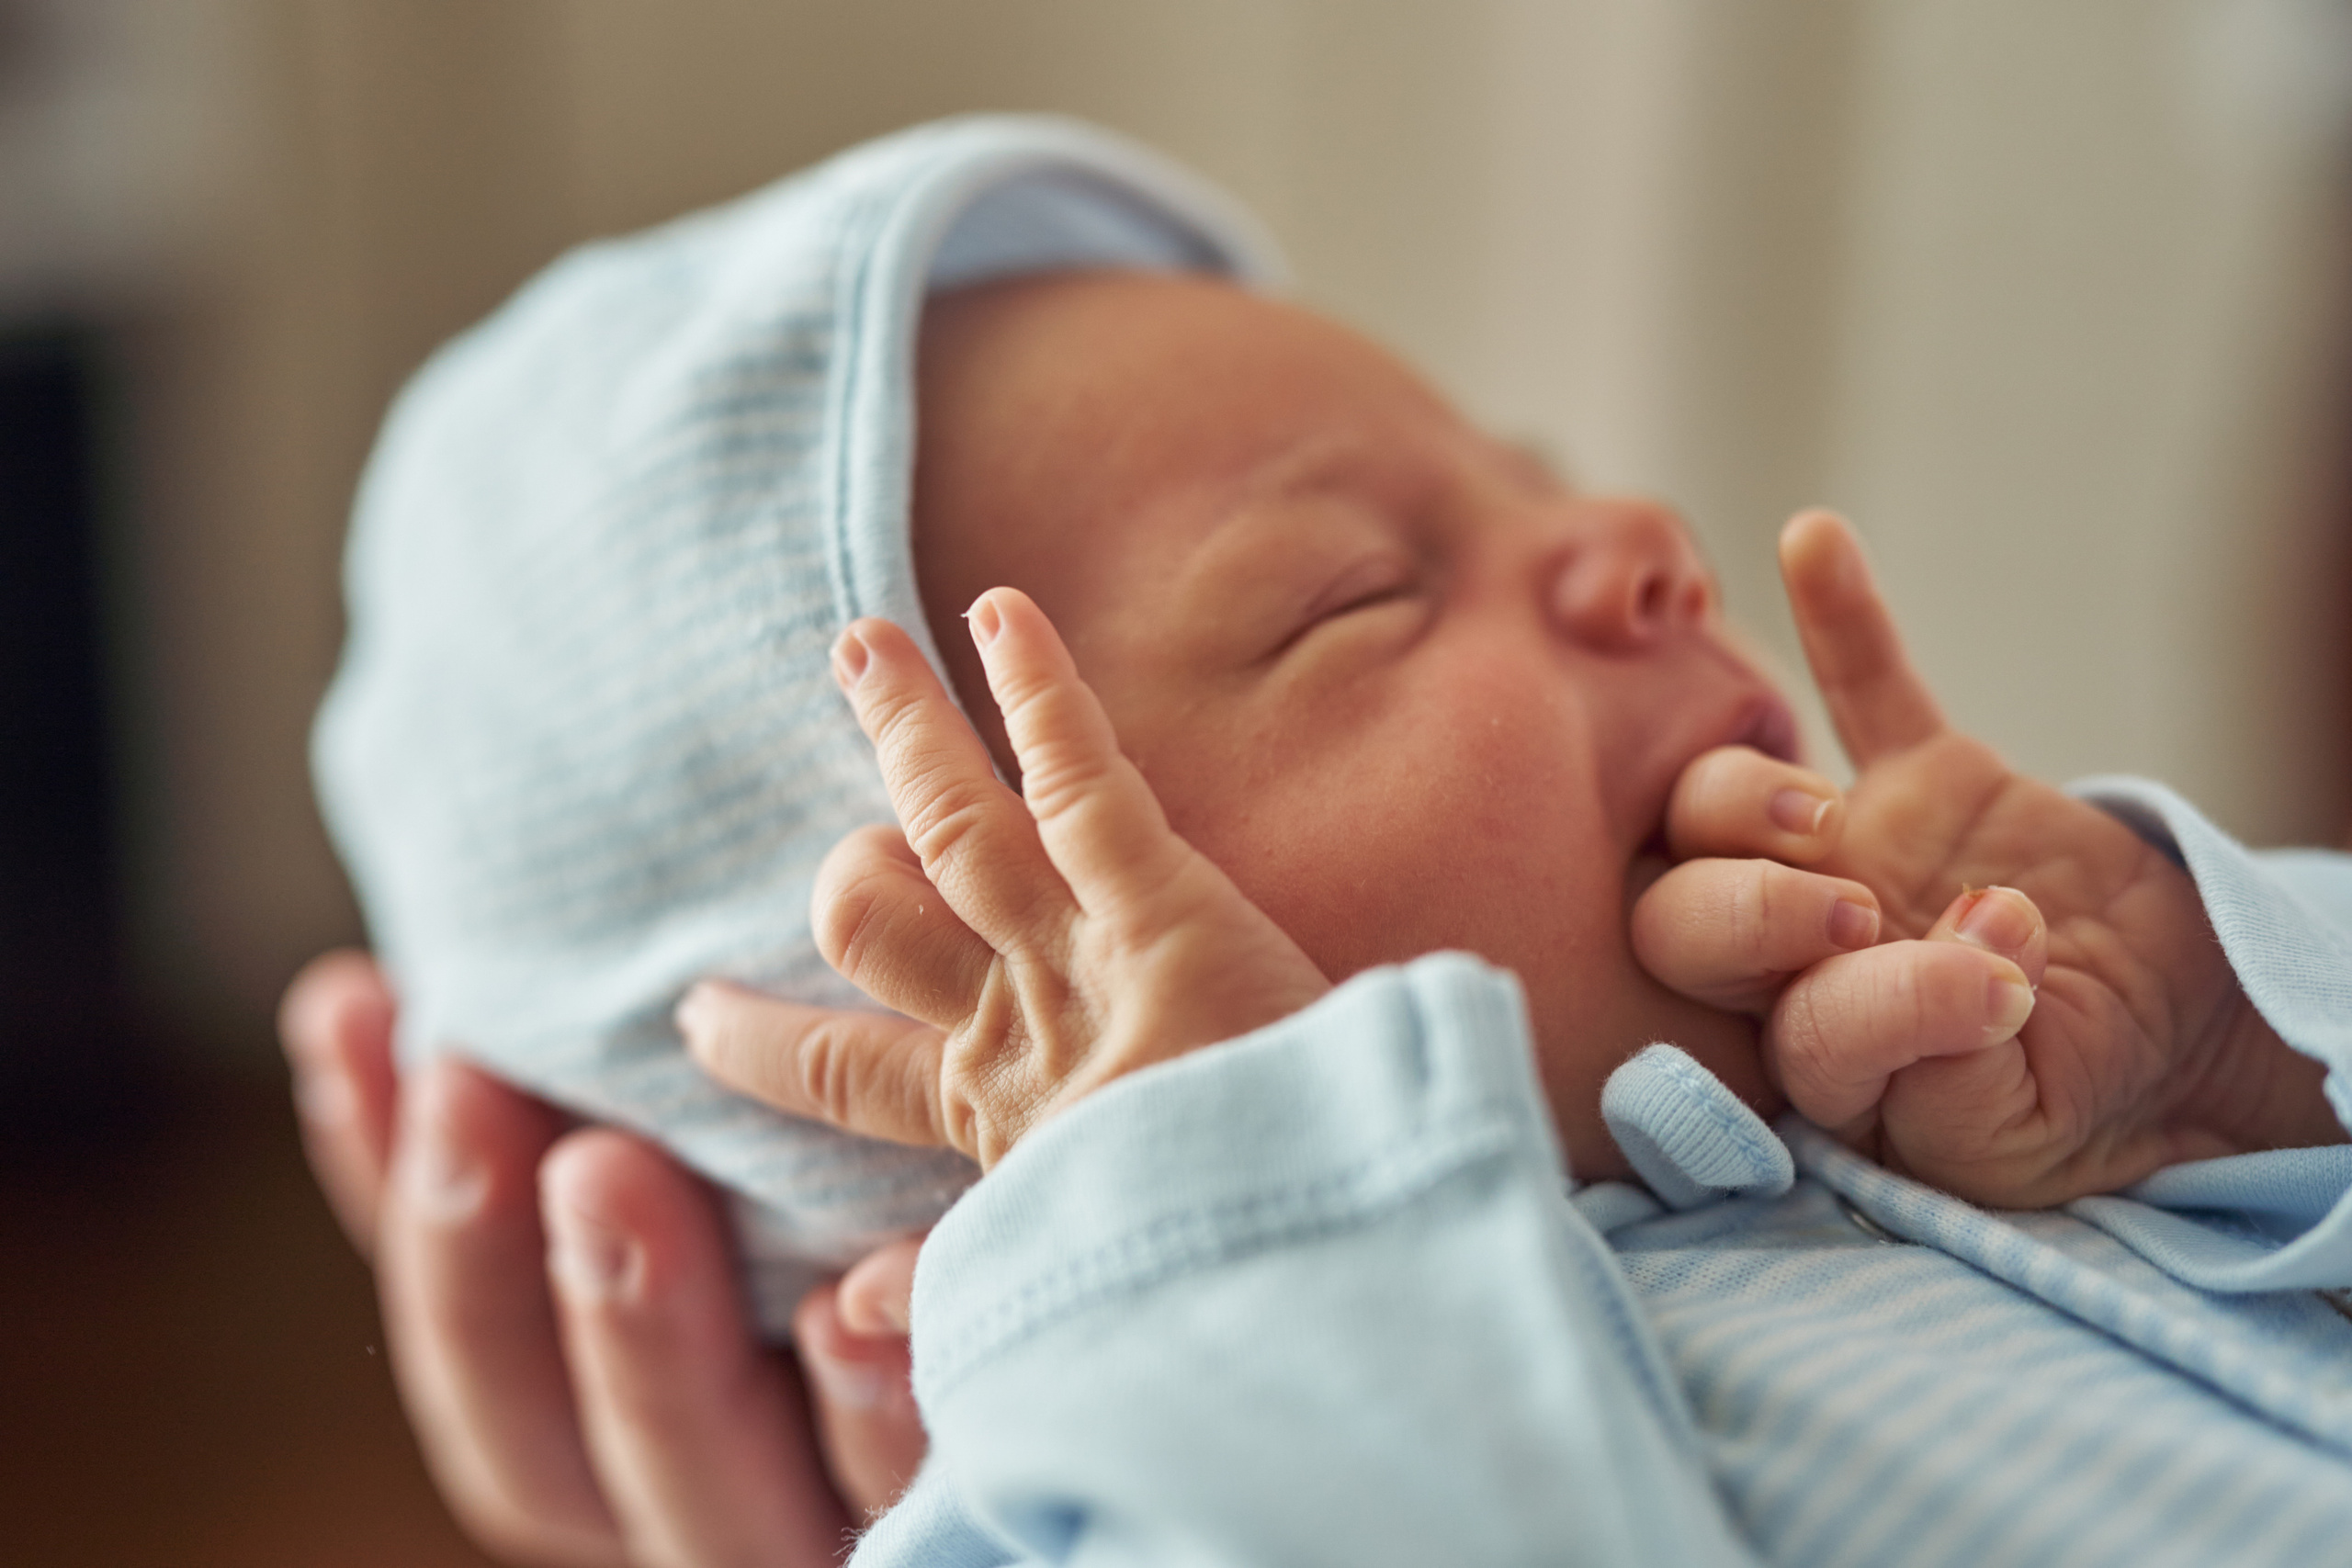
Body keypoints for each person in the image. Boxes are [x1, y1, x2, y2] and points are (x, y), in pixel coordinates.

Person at [289, 116, 2352, 1565]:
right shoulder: (1116, 1492)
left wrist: (2222, 1048)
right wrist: (1230, 1236)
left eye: (1526, 476)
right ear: (975, 1058)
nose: (1634, 538)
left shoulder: (1995, 1096)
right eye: (1356, 591)